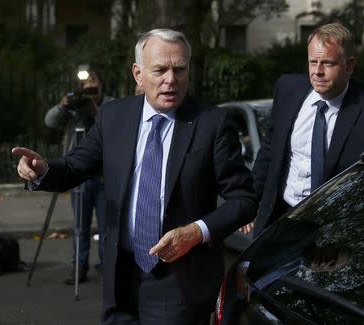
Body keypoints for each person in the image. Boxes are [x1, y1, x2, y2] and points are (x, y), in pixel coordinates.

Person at [13, 28, 257, 325]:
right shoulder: (115, 116)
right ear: (138, 74)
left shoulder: (212, 123)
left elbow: (243, 199)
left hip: (177, 281)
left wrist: (195, 232)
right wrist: (43, 170)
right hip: (119, 277)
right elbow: (76, 166)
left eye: (179, 69)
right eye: (160, 70)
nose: (171, 79)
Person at [244, 22, 364, 238]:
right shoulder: (288, 89)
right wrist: (248, 204)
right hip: (277, 222)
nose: (317, 72)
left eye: (327, 63)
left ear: (349, 65)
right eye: (313, 62)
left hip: (334, 235)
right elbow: (269, 150)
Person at [44, 70, 115, 284]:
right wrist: (64, 106)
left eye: (94, 82)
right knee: (80, 227)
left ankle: (107, 267)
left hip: (105, 175)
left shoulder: (112, 105)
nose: (90, 87)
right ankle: (79, 268)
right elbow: (50, 121)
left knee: (106, 227)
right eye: (87, 84)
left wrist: (95, 109)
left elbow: (115, 126)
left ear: (101, 86)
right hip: (79, 176)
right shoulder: (75, 105)